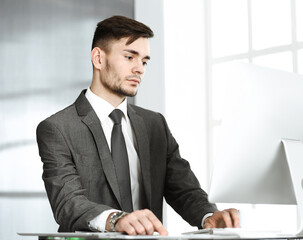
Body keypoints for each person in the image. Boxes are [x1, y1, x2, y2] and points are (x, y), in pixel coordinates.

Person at [36, 15, 240, 236]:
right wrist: (117, 220)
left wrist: (208, 216)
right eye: (129, 57)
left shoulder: (155, 124)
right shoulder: (57, 128)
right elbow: (67, 203)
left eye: (144, 61)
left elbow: (184, 190)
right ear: (98, 58)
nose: (140, 69)